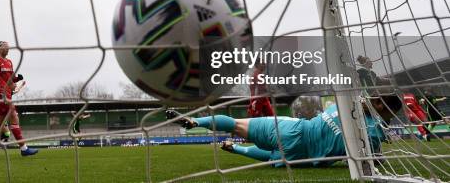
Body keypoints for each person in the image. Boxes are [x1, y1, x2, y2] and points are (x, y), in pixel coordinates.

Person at [166, 94, 402, 167]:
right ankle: (236, 148)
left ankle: (196, 121)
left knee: (237, 124)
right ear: (385, 111)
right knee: (272, 158)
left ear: (380, 104)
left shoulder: (344, 105)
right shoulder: (374, 132)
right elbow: (372, 160)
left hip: (293, 126)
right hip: (302, 153)